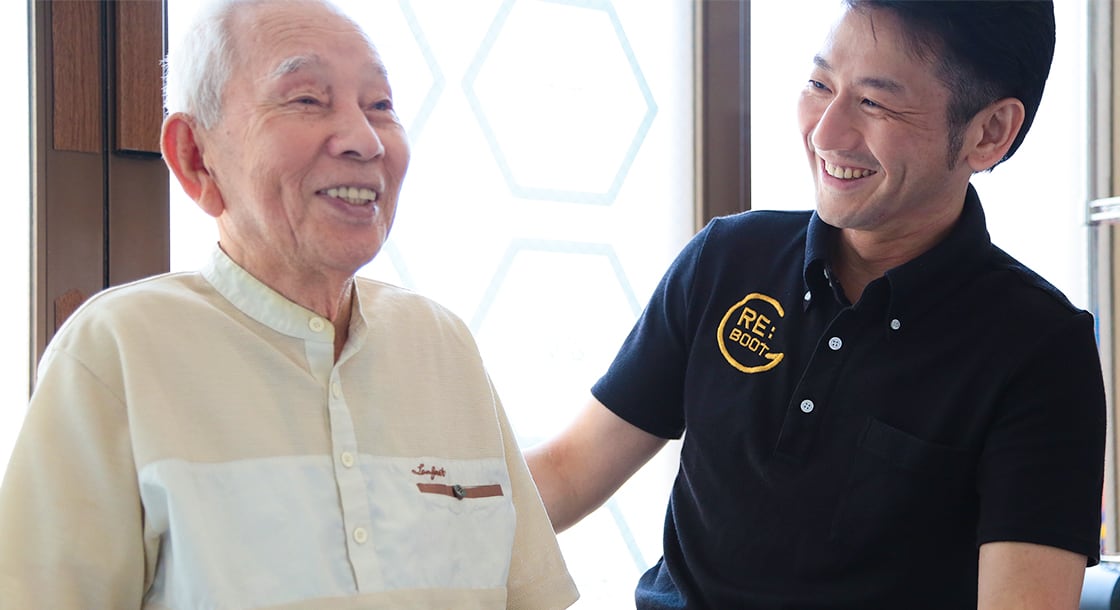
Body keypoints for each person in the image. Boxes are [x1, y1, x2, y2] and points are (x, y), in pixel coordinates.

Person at [527, 1, 1106, 608]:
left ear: (989, 132)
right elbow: (569, 471)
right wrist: (428, 519)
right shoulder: (726, 259)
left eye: (875, 103)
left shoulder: (1039, 350)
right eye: (819, 84)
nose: (825, 133)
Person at [0, 1, 578, 608]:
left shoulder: (443, 345)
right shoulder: (118, 349)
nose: (364, 139)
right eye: (306, 99)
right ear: (196, 156)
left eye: (380, 105)